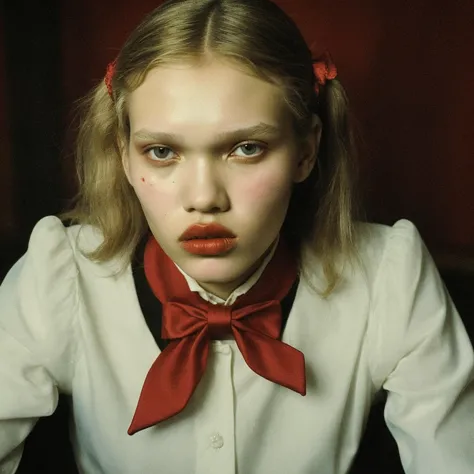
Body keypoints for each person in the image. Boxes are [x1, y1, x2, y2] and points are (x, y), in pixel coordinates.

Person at [1, 0, 473, 472]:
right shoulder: (59, 277)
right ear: (124, 154)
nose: (204, 198)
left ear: (306, 149)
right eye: (162, 151)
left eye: (247, 148)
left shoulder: (390, 276)